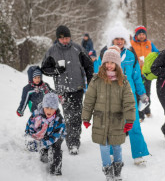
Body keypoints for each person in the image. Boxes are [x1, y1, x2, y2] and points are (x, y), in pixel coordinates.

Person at [99, 22, 150, 165]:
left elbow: (137, 77)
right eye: (117, 39)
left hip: (129, 96)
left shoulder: (131, 54)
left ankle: (139, 154)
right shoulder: (105, 53)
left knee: (134, 125)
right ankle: (110, 153)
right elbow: (97, 75)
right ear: (112, 40)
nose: (120, 41)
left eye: (122, 39)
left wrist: (142, 94)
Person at [82, 48, 136, 180]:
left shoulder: (123, 81)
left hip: (116, 120)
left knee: (117, 146)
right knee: (104, 147)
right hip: (100, 120)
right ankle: (108, 172)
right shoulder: (97, 80)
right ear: (104, 63)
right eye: (107, 62)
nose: (109, 65)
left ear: (117, 64)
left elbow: (129, 102)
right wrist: (86, 117)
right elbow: (89, 100)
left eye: (112, 62)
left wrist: (129, 120)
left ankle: (117, 171)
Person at [41, 25, 94, 155]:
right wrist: (55, 71)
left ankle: (74, 142)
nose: (65, 41)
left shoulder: (78, 48)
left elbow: (89, 66)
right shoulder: (52, 51)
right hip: (62, 89)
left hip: (77, 88)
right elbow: (44, 68)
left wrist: (91, 82)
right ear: (58, 38)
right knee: (68, 115)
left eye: (67, 38)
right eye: (62, 38)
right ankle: (71, 139)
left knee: (76, 116)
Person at [25, 92, 66, 176]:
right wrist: (32, 140)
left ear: (56, 108)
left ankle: (56, 170)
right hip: (42, 135)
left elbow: (56, 136)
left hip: (56, 137)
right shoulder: (36, 115)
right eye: (47, 107)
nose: (49, 110)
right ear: (43, 106)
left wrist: (43, 143)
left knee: (55, 149)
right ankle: (45, 152)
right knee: (44, 158)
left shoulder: (59, 120)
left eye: (52, 108)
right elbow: (29, 128)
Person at [130, 25, 160, 122]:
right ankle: (140, 115)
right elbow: (127, 57)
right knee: (138, 93)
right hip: (136, 73)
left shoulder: (149, 44)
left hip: (147, 73)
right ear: (136, 35)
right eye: (140, 34)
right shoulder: (131, 44)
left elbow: (157, 54)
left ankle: (147, 110)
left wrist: (151, 63)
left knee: (147, 93)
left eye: (143, 34)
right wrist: (136, 61)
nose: (142, 36)